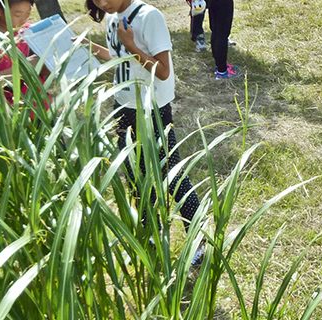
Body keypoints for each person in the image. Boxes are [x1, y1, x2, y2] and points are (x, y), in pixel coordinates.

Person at [84, 0, 204, 263]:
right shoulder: (112, 16)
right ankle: (149, 233)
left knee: (171, 175)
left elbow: (162, 72)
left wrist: (131, 45)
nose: (102, 3)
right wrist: (90, 47)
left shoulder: (150, 17)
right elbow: (119, 58)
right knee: (135, 174)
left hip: (152, 109)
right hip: (124, 105)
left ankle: (197, 239)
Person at [0, 0, 48, 105]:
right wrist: (28, 65)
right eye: (18, 15)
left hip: (36, 97)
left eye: (28, 14)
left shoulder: (25, 31)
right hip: (8, 103)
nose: (24, 19)